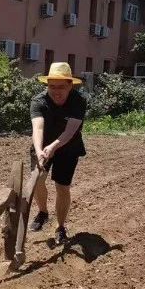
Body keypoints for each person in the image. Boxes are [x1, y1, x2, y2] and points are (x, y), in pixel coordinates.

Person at [28, 61, 86, 243]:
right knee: (37, 179)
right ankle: (43, 212)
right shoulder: (39, 101)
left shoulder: (78, 101)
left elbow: (70, 131)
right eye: (52, 86)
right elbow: (37, 128)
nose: (56, 91)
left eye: (61, 86)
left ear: (70, 85)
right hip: (42, 146)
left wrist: (53, 147)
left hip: (68, 147)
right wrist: (39, 151)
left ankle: (61, 227)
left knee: (62, 187)